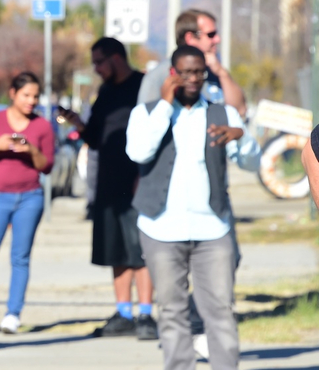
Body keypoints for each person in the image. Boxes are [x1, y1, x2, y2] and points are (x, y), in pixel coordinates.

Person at [126, 45, 260, 370]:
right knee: (171, 312)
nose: (192, 79)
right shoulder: (145, 112)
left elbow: (253, 163)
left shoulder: (222, 113)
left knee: (220, 311)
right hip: (160, 228)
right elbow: (139, 152)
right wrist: (164, 105)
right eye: (184, 72)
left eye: (198, 72)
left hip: (212, 229)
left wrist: (240, 137)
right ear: (172, 74)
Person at [58, 37, 157, 340]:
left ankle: (146, 314)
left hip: (139, 180)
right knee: (116, 250)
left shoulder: (144, 86)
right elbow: (96, 138)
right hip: (109, 183)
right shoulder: (106, 91)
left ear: (116, 58)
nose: (97, 68)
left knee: (140, 251)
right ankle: (123, 312)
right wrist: (78, 123)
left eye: (100, 62)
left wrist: (147, 174)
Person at [0, 71, 55, 334]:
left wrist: (32, 150)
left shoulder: (42, 126)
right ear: (13, 93)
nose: (31, 101)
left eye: (35, 96)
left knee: (20, 258)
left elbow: (47, 167)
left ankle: (13, 314)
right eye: (26, 95)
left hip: (29, 199)